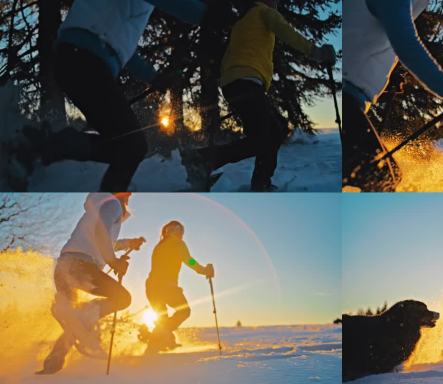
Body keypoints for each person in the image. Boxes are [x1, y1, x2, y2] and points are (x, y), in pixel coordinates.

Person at [32, 0, 234, 192]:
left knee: (124, 146)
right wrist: (207, 15)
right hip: (83, 59)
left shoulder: (117, 17)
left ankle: (45, 146)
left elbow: (122, 49)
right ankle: (105, 205)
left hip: (82, 58)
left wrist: (153, 78)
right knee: (132, 146)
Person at [343, 0, 443, 192]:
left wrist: (388, 74)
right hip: (347, 100)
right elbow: (406, 42)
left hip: (352, 99)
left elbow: (375, 37)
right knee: (382, 178)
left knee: (387, 174)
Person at [197, 0, 336, 192]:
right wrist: (316, 52)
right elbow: (287, 32)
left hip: (235, 83)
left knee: (271, 131)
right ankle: (202, 161)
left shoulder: (242, 20)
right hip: (246, 81)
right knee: (267, 135)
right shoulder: (264, 12)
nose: (276, 3)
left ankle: (258, 181)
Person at [38, 193, 146, 374]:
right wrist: (113, 261)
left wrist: (128, 243)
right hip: (80, 267)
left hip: (65, 267)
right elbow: (99, 232)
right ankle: (80, 321)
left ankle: (54, 360)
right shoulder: (112, 203)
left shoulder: (100, 206)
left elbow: (104, 239)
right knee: (122, 298)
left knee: (76, 321)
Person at [144, 220, 214, 353]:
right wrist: (204, 270)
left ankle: (155, 344)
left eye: (182, 230)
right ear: (170, 231)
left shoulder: (159, 245)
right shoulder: (177, 244)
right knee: (184, 311)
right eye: (178, 229)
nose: (181, 233)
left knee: (162, 318)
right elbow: (189, 260)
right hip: (167, 288)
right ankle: (158, 339)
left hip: (151, 287)